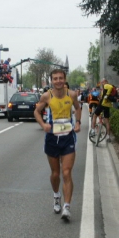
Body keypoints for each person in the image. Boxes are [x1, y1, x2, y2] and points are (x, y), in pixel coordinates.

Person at [34, 69, 81, 221]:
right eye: (55, 79)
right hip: (52, 138)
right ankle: (56, 196)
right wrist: (43, 124)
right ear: (51, 81)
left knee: (66, 172)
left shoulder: (72, 94)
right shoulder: (47, 96)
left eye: (61, 78)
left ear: (65, 79)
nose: (58, 81)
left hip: (68, 137)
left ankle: (66, 207)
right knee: (55, 174)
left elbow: (78, 108)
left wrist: (78, 123)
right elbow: (36, 111)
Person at [90, 78, 114, 142]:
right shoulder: (109, 89)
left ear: (105, 81)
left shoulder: (106, 86)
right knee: (107, 120)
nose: (102, 84)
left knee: (94, 115)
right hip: (107, 105)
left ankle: (92, 130)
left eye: (102, 82)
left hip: (102, 104)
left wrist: (100, 98)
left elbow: (102, 98)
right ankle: (108, 137)